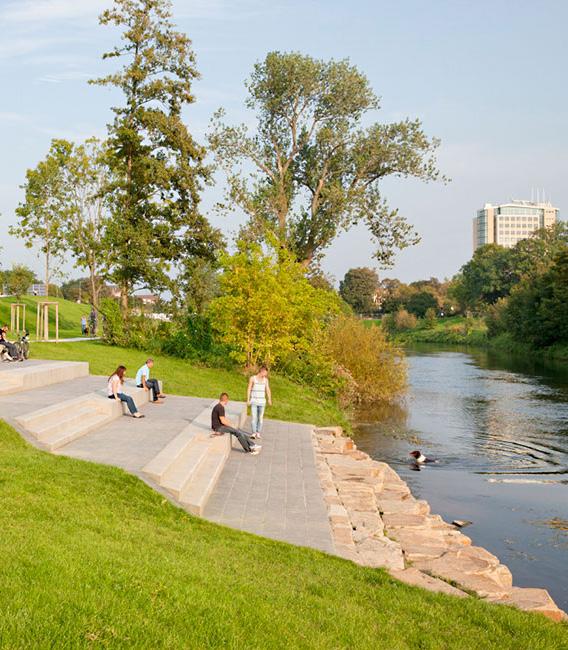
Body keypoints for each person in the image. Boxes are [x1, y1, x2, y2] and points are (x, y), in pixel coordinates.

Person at [247, 365, 272, 439]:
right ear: (262, 371)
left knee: (260, 418)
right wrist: (248, 399)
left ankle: (258, 432)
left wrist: (269, 399)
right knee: (254, 418)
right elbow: (249, 389)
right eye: (265, 373)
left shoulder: (266, 380)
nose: (266, 374)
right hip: (254, 401)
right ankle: (254, 433)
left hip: (262, 402)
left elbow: (268, 389)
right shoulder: (252, 378)